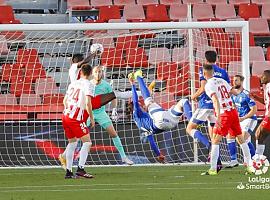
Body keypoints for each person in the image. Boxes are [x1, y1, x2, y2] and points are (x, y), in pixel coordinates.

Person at [128, 70, 192, 162]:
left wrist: (158, 154)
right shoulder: (137, 113)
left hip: (170, 123)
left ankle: (192, 123)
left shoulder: (142, 126)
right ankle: (139, 76)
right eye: (139, 106)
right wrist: (132, 85)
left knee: (183, 101)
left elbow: (152, 142)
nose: (141, 106)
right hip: (160, 120)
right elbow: (135, 101)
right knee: (148, 101)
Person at [201, 64, 253, 176]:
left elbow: (215, 100)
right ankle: (249, 166)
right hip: (233, 112)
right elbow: (234, 92)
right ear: (213, 72)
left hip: (224, 114)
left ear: (204, 74)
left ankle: (213, 169)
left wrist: (218, 116)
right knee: (240, 139)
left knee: (215, 139)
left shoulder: (208, 85)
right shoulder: (221, 80)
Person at [187, 50, 230, 170]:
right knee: (214, 136)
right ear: (217, 58)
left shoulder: (204, 69)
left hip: (206, 104)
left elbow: (202, 88)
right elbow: (227, 90)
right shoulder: (223, 72)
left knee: (190, 128)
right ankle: (218, 162)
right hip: (218, 107)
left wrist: (193, 97)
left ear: (205, 60)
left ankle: (208, 145)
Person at [87, 66, 133, 165]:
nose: (98, 74)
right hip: (88, 112)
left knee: (114, 134)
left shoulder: (106, 85)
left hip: (101, 113)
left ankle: (124, 157)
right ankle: (69, 157)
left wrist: (114, 110)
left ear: (102, 73)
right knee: (79, 135)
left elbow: (113, 97)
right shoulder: (88, 84)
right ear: (92, 73)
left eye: (100, 72)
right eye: (96, 72)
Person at [62, 64, 95, 179]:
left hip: (65, 115)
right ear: (91, 74)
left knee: (72, 143)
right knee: (87, 142)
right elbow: (87, 103)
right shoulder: (89, 84)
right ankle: (80, 169)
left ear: (80, 73)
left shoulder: (73, 83)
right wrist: (91, 117)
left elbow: (64, 101)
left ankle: (69, 172)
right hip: (75, 118)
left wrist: (69, 110)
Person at [226, 75, 257, 168]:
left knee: (242, 138)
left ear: (241, 81)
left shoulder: (246, 94)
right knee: (230, 137)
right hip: (239, 119)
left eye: (236, 80)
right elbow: (234, 107)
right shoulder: (233, 95)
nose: (234, 82)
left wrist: (243, 118)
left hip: (249, 119)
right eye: (233, 80)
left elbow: (254, 110)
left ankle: (251, 160)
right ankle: (233, 160)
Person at [250, 70, 270, 158]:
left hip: (269, 116)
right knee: (260, 136)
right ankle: (259, 158)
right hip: (267, 115)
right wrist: (256, 97)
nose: (261, 77)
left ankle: (258, 158)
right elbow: (266, 102)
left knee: (258, 134)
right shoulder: (267, 87)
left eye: (263, 76)